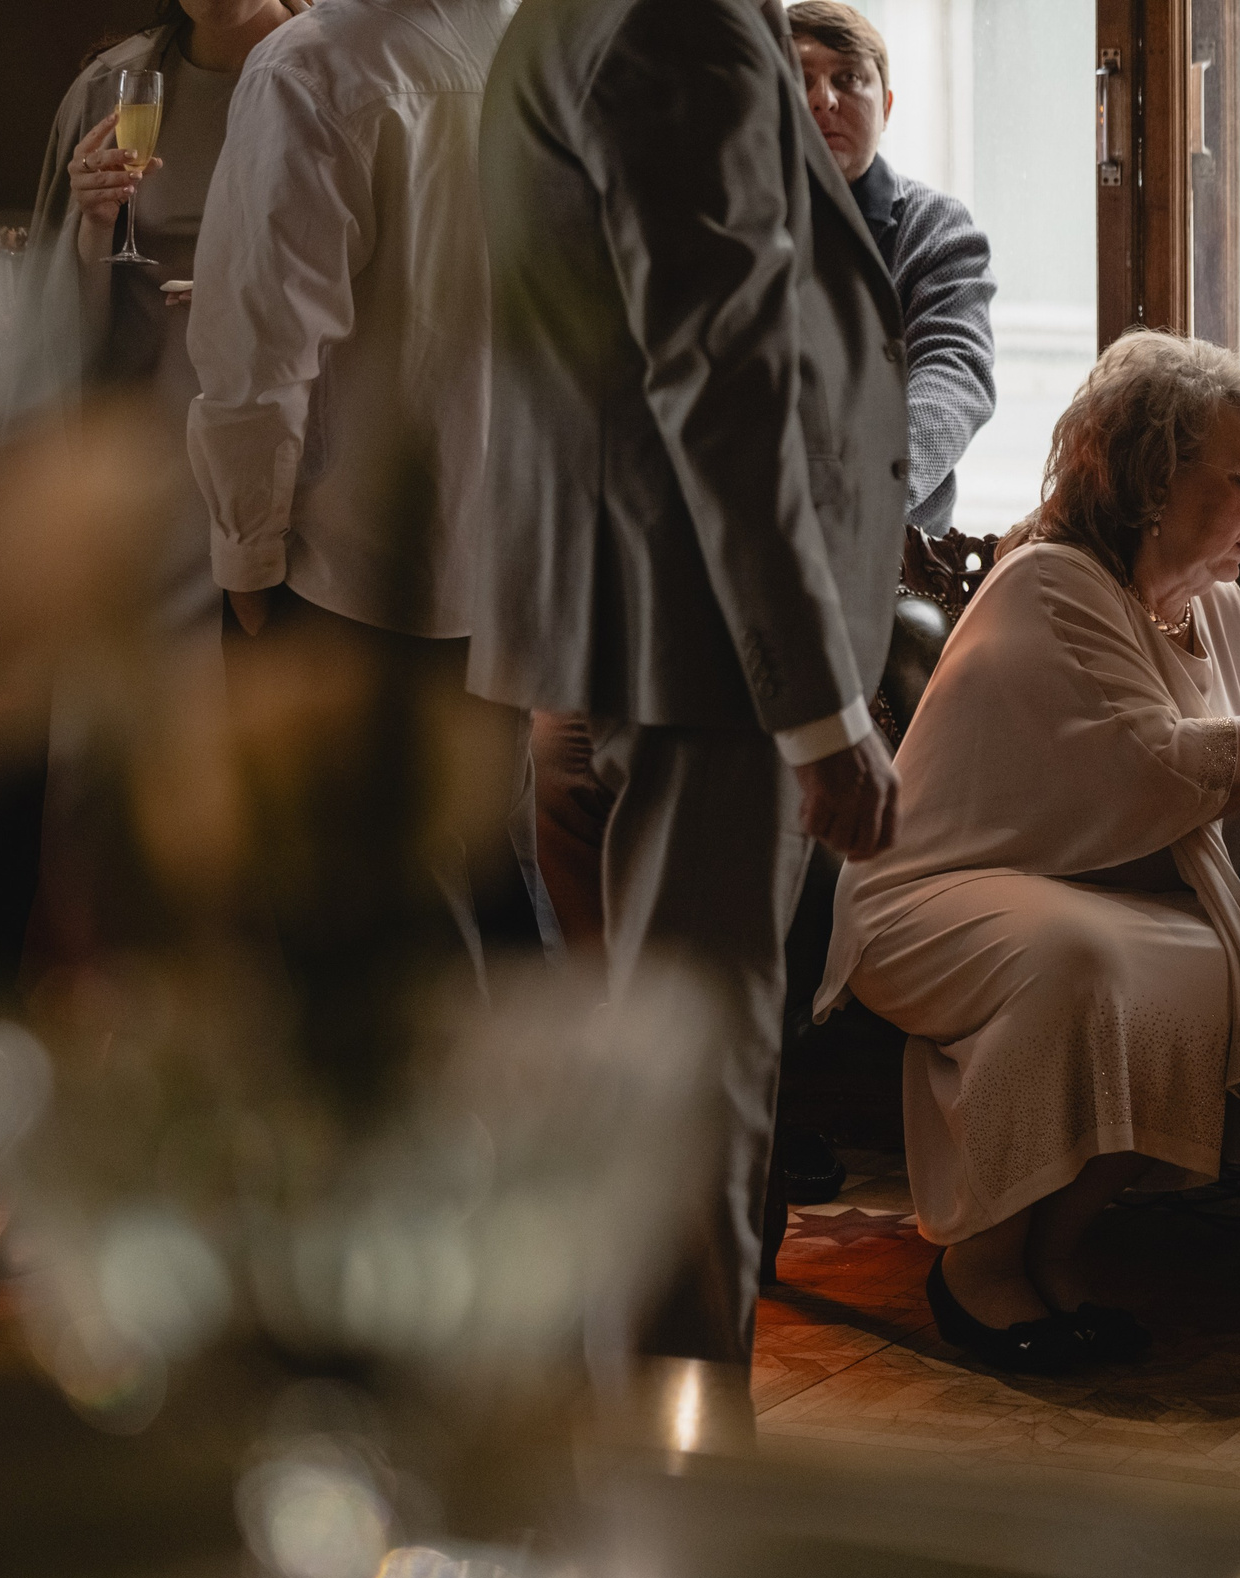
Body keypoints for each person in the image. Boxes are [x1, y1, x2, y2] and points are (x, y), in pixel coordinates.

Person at [815, 331, 1240, 1375]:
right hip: (932, 894)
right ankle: (980, 1267)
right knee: (1082, 967)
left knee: (1203, 964)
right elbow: (1161, 765)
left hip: (1073, 888)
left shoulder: (1207, 602)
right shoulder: (1048, 585)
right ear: (1148, 481)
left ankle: (1051, 1251)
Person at [473, 0, 909, 1366]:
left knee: (654, 1090)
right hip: (704, 649)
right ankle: (680, 1510)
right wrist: (822, 708)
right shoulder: (680, 19)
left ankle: (640, 1462)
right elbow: (720, 370)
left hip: (628, 625)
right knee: (697, 1106)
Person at [187, 0, 538, 1103]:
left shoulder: (312, 68)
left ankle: (410, 1218)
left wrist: (247, 558)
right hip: (514, 552)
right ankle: (532, 1198)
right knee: (481, 889)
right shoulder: (542, 50)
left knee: (349, 949)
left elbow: (261, 347)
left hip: (345, 562)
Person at [14, 0, 305, 639]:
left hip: (304, 446)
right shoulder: (113, 87)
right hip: (161, 442)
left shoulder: (329, 72)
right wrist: (92, 222)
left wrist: (249, 295)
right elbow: (54, 317)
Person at [787, 0, 994, 535]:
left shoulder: (936, 228)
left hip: (892, 546)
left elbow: (953, 372)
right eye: (799, 78)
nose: (822, 100)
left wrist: (869, 498)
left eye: (849, 78)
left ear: (888, 105)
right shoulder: (732, 225)